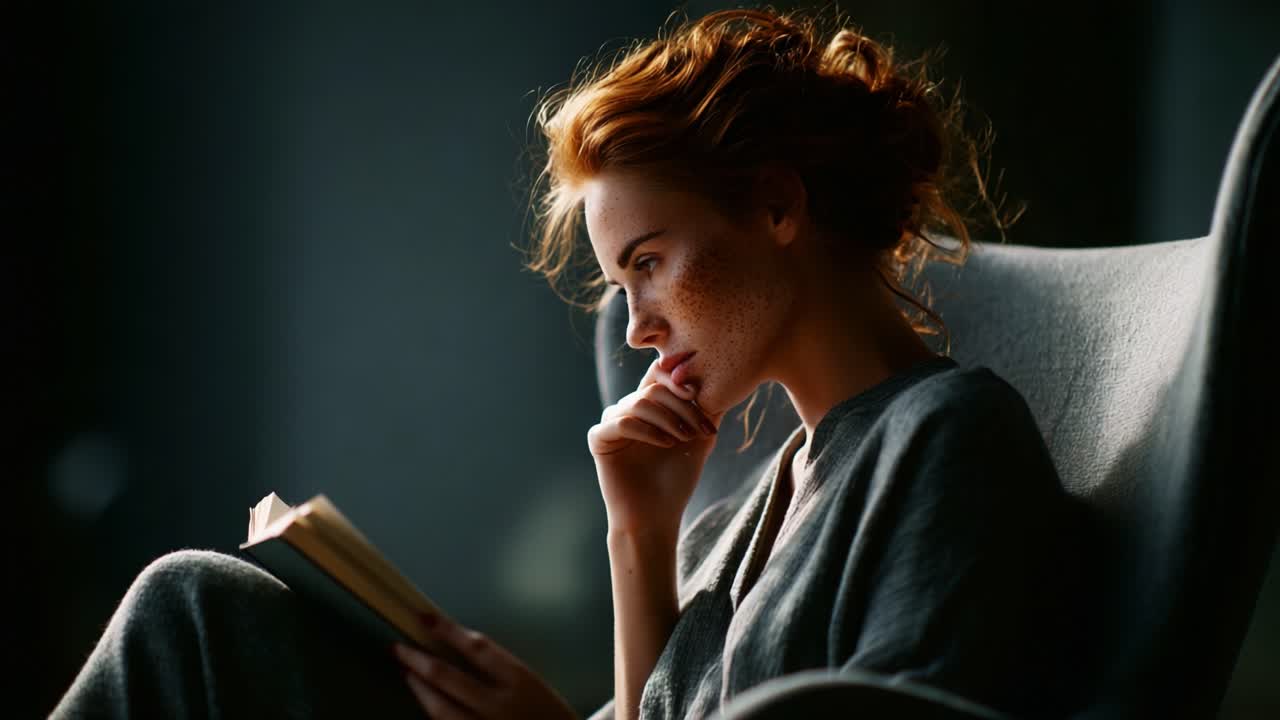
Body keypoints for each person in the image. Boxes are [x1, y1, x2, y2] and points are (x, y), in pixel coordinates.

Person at [52, 6, 1091, 720]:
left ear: (776, 207)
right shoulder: (763, 498)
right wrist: (639, 535)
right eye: (619, 281)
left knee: (189, 609)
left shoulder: (944, 440)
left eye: (647, 263)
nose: (636, 325)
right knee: (199, 608)